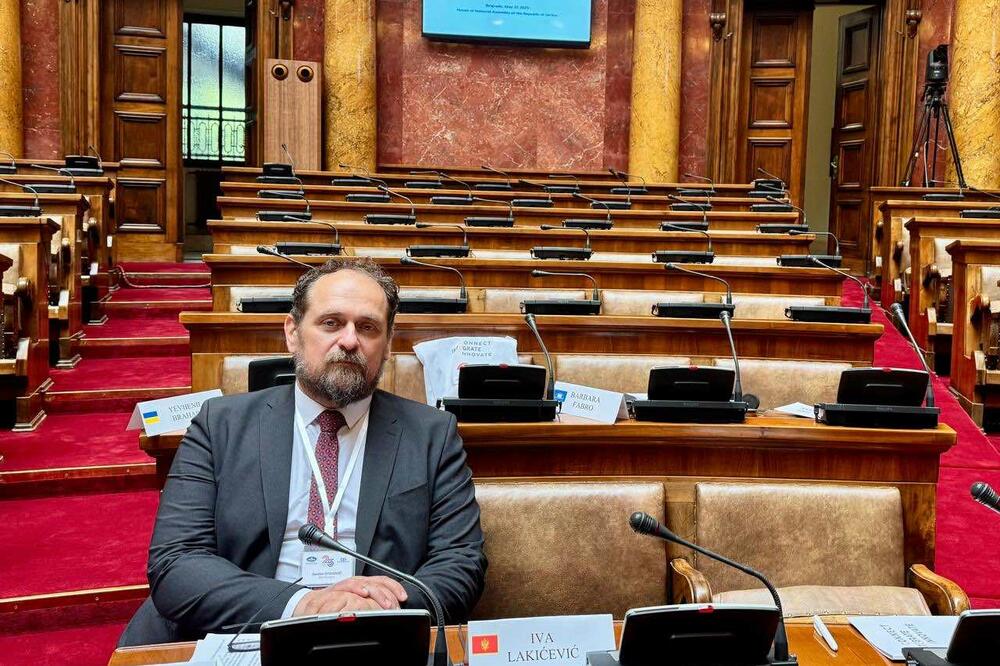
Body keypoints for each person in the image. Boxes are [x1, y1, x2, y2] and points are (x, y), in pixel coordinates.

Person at [119, 257, 487, 646]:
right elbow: (177, 562)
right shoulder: (220, 425)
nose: (350, 341)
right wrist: (304, 604)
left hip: (374, 639)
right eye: (331, 323)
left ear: (388, 345)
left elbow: (461, 563)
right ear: (292, 333)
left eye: (367, 327)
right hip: (246, 632)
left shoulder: (432, 434)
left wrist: (378, 608)